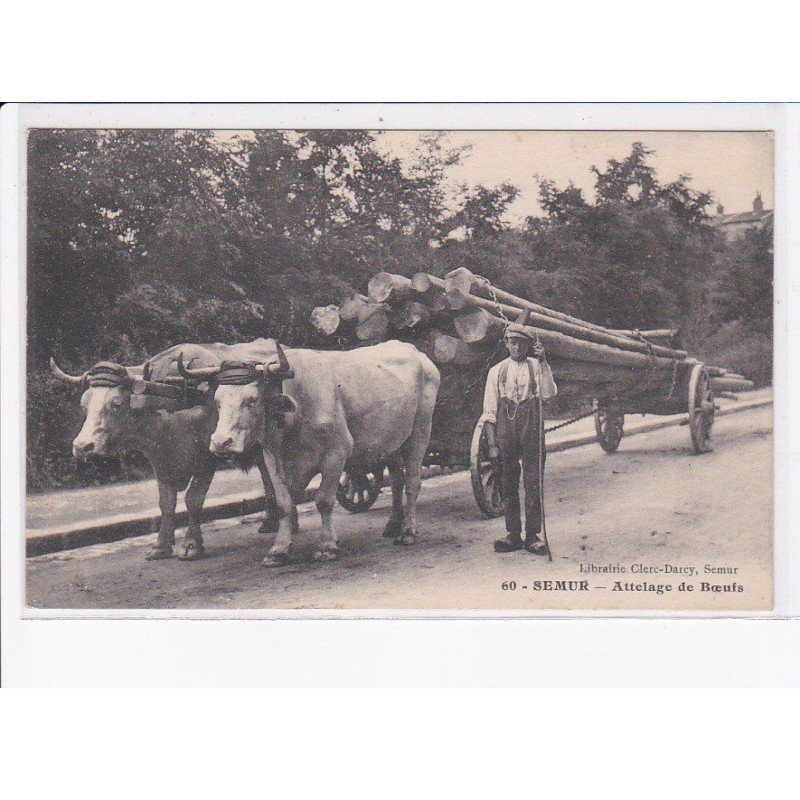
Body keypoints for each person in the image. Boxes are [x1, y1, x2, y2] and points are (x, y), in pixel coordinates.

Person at [480, 317, 557, 554]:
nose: (517, 348)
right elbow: (489, 411)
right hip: (506, 430)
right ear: (506, 343)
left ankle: (533, 536)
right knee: (508, 483)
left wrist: (544, 362)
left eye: (522, 344)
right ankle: (513, 534)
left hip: (531, 428)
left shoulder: (537, 366)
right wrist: (492, 445)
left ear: (529, 345)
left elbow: (549, 394)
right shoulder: (497, 371)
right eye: (512, 343)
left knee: (533, 482)